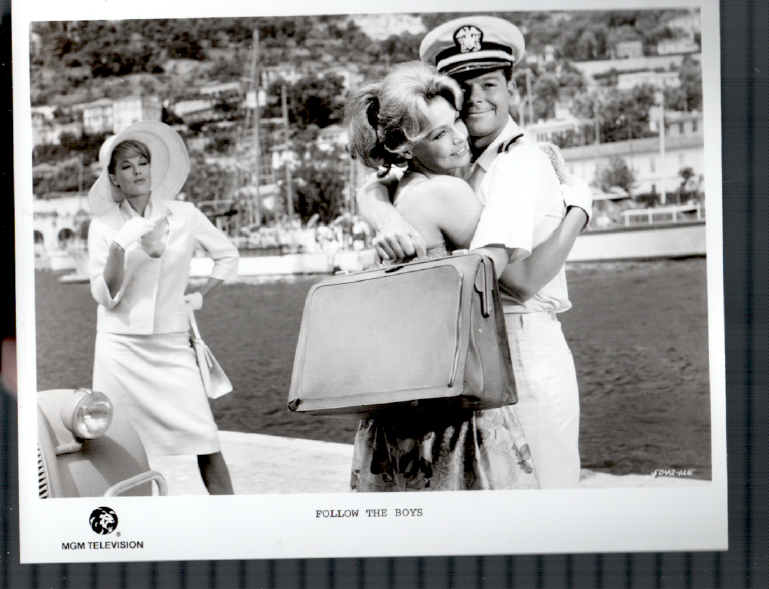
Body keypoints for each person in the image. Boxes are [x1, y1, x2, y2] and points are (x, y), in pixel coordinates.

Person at [356, 16, 590, 488]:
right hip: (489, 349)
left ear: (512, 88)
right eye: (465, 88)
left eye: (490, 84)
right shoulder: (454, 169)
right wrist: (580, 210)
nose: (477, 98)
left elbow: (514, 284)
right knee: (523, 494)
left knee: (541, 490)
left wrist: (381, 208)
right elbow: (515, 280)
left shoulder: (516, 162)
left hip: (516, 346)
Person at [345, 60, 538, 492]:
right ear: (403, 150)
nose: (458, 138)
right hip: (451, 402)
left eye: (455, 122)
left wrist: (373, 199)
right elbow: (522, 282)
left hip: (401, 404)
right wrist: (579, 208)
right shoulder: (447, 192)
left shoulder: (402, 192)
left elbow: (375, 187)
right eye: (438, 135)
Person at [87, 121, 239, 495]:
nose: (138, 171)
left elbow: (227, 256)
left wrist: (200, 296)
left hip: (172, 343)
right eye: (126, 166)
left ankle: (233, 516)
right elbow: (105, 296)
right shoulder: (103, 226)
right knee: (121, 443)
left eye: (143, 162)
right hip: (120, 349)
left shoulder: (185, 214)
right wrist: (119, 248)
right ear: (113, 178)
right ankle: (132, 518)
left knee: (205, 436)